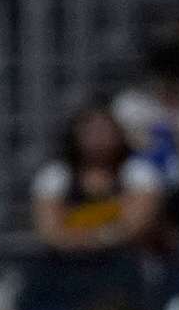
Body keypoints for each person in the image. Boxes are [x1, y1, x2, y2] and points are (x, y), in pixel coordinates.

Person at [31, 103, 163, 254]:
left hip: (127, 259)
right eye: (90, 132)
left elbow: (137, 225)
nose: (98, 138)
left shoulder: (139, 171)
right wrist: (90, 239)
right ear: (75, 136)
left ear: (118, 135)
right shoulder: (55, 175)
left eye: (104, 131)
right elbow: (49, 230)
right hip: (69, 261)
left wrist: (93, 237)